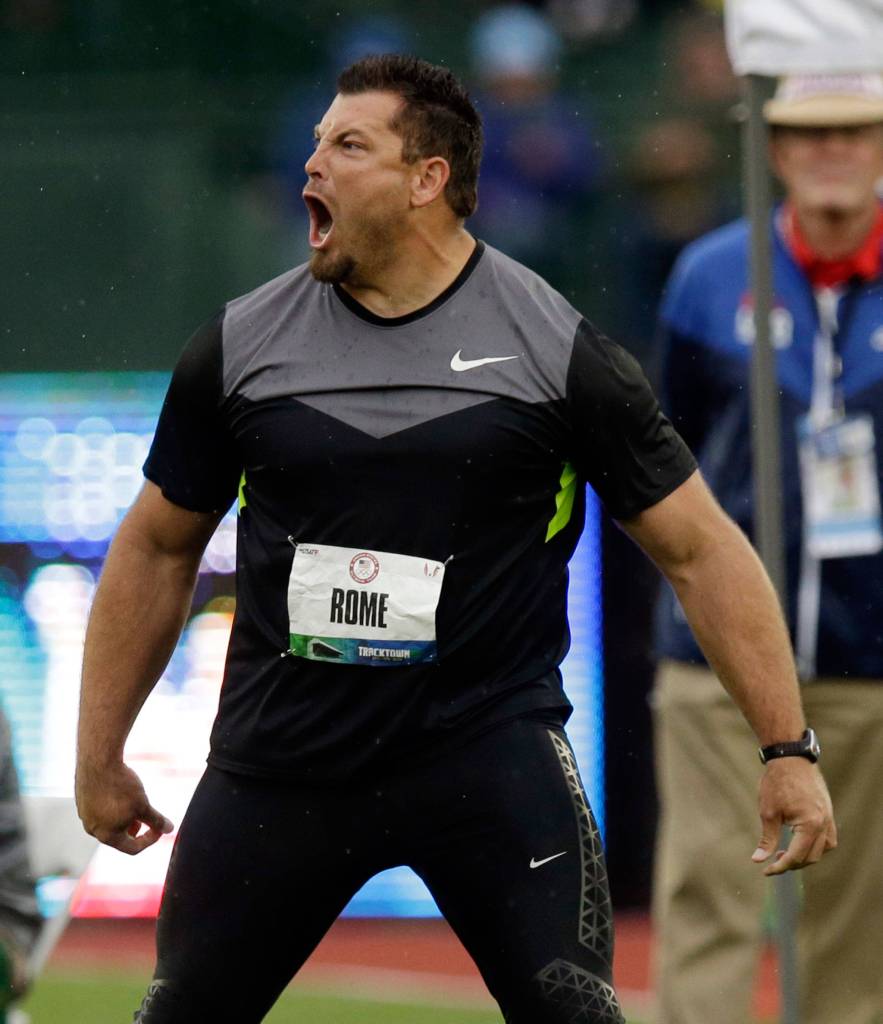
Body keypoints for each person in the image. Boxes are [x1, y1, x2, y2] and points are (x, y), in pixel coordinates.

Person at [74, 55, 835, 1024]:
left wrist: (785, 748)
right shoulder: (237, 345)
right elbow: (155, 546)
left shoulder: (556, 349)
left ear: (428, 179)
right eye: (314, 145)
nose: (313, 167)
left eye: (348, 146)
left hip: (485, 760)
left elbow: (701, 549)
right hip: (281, 767)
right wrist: (100, 753)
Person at [652, 72, 883, 1024]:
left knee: (860, 930)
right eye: (807, 135)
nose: (831, 153)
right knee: (709, 895)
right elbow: (667, 457)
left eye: (853, 133)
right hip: (721, 663)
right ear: (774, 150)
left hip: (872, 657)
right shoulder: (711, 275)